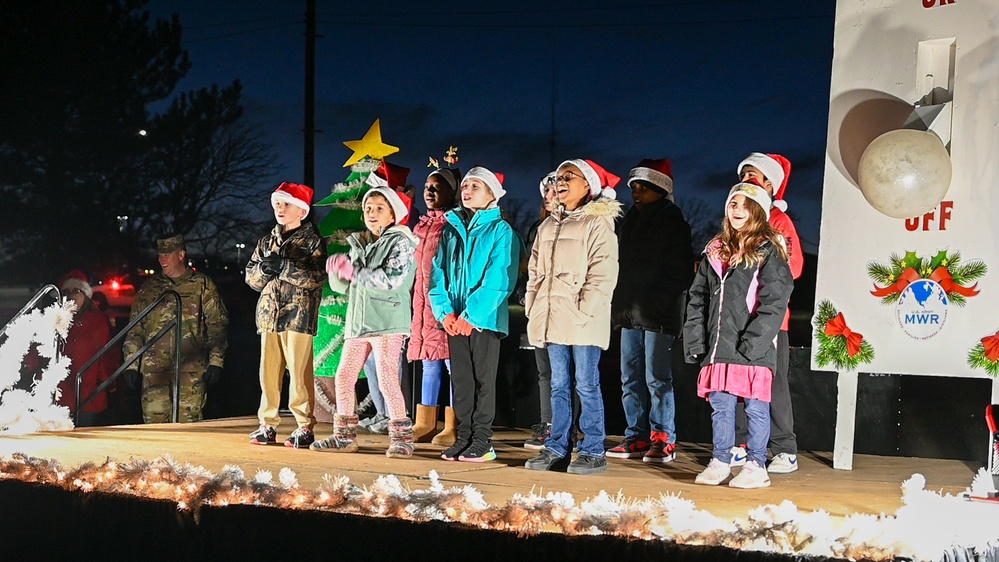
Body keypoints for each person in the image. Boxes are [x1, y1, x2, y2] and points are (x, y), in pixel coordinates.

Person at [683, 179, 793, 489]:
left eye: (746, 205)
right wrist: (696, 340)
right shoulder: (715, 250)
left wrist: (754, 342)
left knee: (756, 406)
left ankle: (757, 464)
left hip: (751, 346)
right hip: (720, 345)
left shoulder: (768, 248)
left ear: (758, 210)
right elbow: (698, 297)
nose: (738, 209)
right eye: (733, 203)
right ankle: (721, 460)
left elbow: (776, 298)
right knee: (721, 405)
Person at [524, 159, 622, 476]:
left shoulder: (597, 223)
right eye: (558, 176)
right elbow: (535, 273)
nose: (561, 181)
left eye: (569, 176)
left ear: (587, 185)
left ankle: (593, 449)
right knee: (558, 385)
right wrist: (532, 304)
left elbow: (603, 271)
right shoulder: (548, 225)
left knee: (587, 384)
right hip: (552, 317)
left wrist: (584, 308)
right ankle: (557, 447)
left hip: (581, 320)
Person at [311, 186, 419, 458]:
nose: (371, 213)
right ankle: (344, 436)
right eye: (368, 208)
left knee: (387, 380)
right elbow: (346, 288)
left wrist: (353, 270)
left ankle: (402, 438)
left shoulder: (401, 242)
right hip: (359, 323)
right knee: (344, 376)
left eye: (379, 208)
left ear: (393, 213)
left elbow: (390, 279)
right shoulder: (363, 244)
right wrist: (337, 271)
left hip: (387, 322)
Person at [428, 166, 519, 462]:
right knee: (462, 382)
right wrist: (446, 313)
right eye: (465, 186)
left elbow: (499, 278)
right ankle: (463, 436)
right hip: (455, 321)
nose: (466, 191)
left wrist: (472, 315)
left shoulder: (501, 230)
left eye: (475, 186)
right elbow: (437, 274)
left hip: (483, 321)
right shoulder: (452, 230)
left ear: (492, 194)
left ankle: (483, 440)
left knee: (483, 381)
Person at [608, 159, 693, 463]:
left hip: (658, 314)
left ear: (660, 188)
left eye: (643, 186)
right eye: (633, 186)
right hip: (629, 313)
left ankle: (663, 438)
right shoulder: (628, 221)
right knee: (629, 377)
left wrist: (655, 304)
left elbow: (679, 271)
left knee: (657, 378)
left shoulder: (674, 223)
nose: (636, 192)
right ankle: (636, 435)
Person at [731, 153, 804, 474]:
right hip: (736, 319)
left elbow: (794, 266)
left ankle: (785, 448)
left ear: (770, 184)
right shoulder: (735, 220)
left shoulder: (780, 221)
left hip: (771, 322)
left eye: (754, 174)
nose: (747, 178)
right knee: (736, 382)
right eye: (744, 172)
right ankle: (739, 443)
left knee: (772, 384)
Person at [246, 182, 327, 448]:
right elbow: (251, 277)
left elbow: (316, 278)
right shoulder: (267, 241)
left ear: (301, 211)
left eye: (287, 204)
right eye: (278, 204)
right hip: (270, 316)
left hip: (299, 316)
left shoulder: (312, 240)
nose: (280, 208)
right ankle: (267, 424)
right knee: (267, 373)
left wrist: (284, 267)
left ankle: (304, 426)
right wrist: (265, 271)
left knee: (300, 373)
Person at [122, 235, 228, 423]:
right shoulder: (150, 288)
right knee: (155, 428)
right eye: (160, 255)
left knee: (188, 429)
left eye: (167, 255)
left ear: (181, 255)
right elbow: (136, 328)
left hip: (190, 371)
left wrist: (216, 361)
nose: (162, 259)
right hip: (155, 372)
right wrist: (131, 364)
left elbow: (217, 325)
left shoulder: (202, 285)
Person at [408, 167, 461, 445]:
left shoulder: (454, 224)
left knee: (453, 364)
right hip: (423, 304)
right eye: (427, 185)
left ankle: (453, 424)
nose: (429, 191)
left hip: (446, 304)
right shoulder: (422, 225)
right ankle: (425, 422)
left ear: (452, 192)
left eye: (437, 186)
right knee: (430, 363)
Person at [38, 271, 120, 426]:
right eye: (67, 292)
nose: (72, 296)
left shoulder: (98, 321)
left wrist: (107, 378)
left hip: (89, 394)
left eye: (77, 291)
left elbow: (109, 352)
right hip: (59, 393)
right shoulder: (52, 319)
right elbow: (39, 347)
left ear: (85, 296)